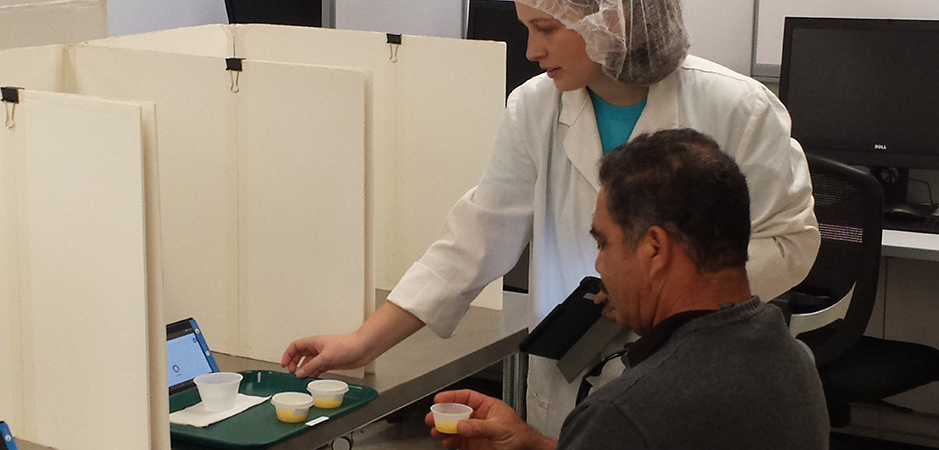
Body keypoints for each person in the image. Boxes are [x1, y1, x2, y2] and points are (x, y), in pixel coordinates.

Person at [282, 0, 820, 436]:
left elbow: (793, 244)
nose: (531, 50)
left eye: (544, 28)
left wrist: (657, 291)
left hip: (694, 372)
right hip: (571, 378)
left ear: (610, 18)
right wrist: (362, 342)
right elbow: (475, 238)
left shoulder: (737, 107)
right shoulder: (535, 108)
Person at [424, 129, 830, 450]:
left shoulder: (625, 413)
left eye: (604, 244)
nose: (598, 264)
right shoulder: (793, 362)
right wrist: (533, 444)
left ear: (655, 249)